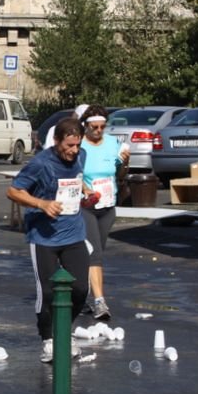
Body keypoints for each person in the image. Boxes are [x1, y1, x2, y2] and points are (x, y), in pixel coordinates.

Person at [6, 117, 89, 363]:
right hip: (43, 237)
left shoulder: (81, 155)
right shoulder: (42, 163)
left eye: (77, 145)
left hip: (74, 232)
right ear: (56, 141)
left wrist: (87, 191)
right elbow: (13, 190)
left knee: (81, 289)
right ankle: (48, 339)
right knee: (49, 292)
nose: (74, 151)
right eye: (69, 146)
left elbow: (76, 179)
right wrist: (41, 203)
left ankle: (64, 331)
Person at [78, 105, 130, 321]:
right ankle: (100, 302)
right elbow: (71, 171)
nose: (99, 130)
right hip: (86, 207)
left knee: (90, 254)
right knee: (94, 254)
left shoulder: (112, 144)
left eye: (102, 127)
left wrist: (125, 163)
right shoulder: (79, 145)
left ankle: (78, 296)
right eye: (94, 127)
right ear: (86, 126)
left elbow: (119, 173)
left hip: (108, 207)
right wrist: (84, 188)